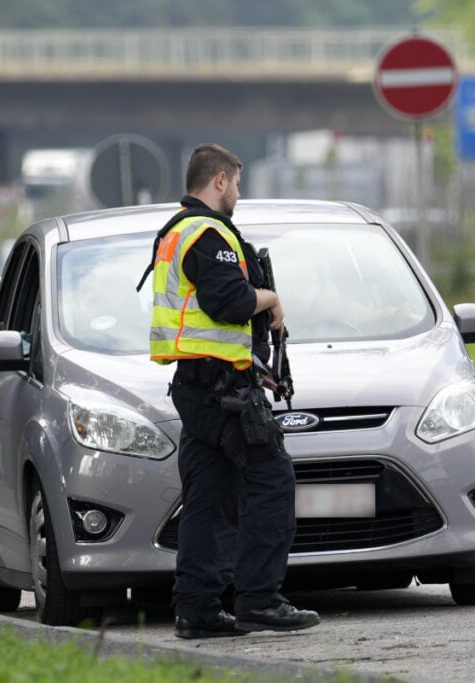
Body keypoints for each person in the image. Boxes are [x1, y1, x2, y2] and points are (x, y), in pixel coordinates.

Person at [148, 143, 320, 639]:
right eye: (237, 184)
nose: (239, 194)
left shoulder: (177, 230)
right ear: (219, 181)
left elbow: (205, 317)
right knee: (272, 481)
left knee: (209, 496)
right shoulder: (208, 231)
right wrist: (271, 298)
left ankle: (197, 609)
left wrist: (254, 362)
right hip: (223, 391)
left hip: (200, 384)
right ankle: (260, 600)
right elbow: (229, 301)